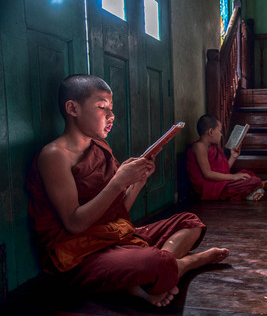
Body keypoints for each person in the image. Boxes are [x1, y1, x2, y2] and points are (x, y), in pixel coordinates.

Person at [26, 74, 229, 307]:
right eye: (102, 107)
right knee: (157, 262)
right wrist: (118, 182)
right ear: (72, 108)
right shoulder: (54, 156)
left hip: (115, 235)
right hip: (79, 254)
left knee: (189, 222)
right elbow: (74, 224)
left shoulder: (100, 146)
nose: (111, 116)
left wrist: (138, 181)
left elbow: (118, 211)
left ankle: (145, 280)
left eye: (111, 108)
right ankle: (183, 264)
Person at [186, 114, 267, 201]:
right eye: (220, 131)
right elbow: (208, 174)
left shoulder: (213, 147)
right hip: (209, 188)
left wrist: (233, 157)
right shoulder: (199, 146)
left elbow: (223, 171)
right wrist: (234, 177)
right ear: (211, 132)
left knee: (247, 174)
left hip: (219, 183)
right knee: (253, 181)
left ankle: (252, 191)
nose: (221, 135)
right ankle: (252, 192)